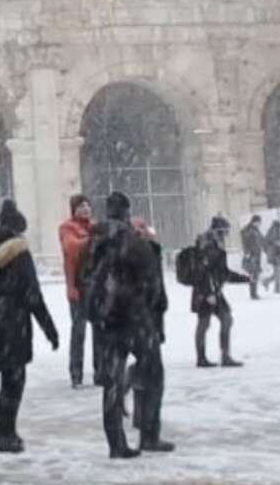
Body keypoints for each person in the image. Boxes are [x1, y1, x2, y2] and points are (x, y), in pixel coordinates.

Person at [0, 199, 57, 454]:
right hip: (14, 322)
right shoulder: (19, 253)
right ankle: (4, 435)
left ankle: (5, 433)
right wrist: (49, 329)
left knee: (8, 380)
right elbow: (33, 295)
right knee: (14, 382)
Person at [89, 192, 171, 458]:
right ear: (126, 212)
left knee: (112, 381)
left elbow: (87, 278)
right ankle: (149, 434)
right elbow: (152, 285)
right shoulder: (134, 242)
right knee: (153, 373)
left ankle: (116, 443)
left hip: (107, 319)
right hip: (135, 318)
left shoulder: (95, 242)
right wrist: (152, 310)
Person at [189, 216, 249, 368]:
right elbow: (203, 272)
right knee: (204, 323)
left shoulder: (215, 246)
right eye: (225, 231)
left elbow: (223, 273)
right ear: (219, 231)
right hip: (204, 292)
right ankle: (202, 358)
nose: (227, 235)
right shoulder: (207, 246)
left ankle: (225, 356)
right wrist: (208, 293)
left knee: (226, 319)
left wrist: (245, 279)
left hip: (214, 291)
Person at [57, 194, 96, 388]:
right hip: (79, 286)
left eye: (88, 205)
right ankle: (76, 374)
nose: (86, 209)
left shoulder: (95, 226)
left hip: (97, 286)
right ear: (74, 209)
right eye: (81, 206)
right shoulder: (68, 228)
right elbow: (71, 247)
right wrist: (92, 240)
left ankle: (101, 372)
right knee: (78, 331)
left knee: (100, 332)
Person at [239, 215, 264, 301]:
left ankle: (254, 293)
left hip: (256, 255)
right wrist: (247, 252)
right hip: (251, 255)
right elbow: (245, 242)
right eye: (259, 222)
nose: (260, 224)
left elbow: (261, 239)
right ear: (254, 221)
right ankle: (253, 294)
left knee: (255, 274)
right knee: (253, 273)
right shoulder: (248, 230)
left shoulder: (255, 230)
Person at [263, 219, 280, 295]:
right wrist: (277, 245)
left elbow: (268, 244)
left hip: (274, 255)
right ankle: (275, 287)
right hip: (275, 255)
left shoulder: (271, 231)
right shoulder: (275, 231)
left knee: (277, 272)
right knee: (278, 272)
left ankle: (267, 282)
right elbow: (276, 244)